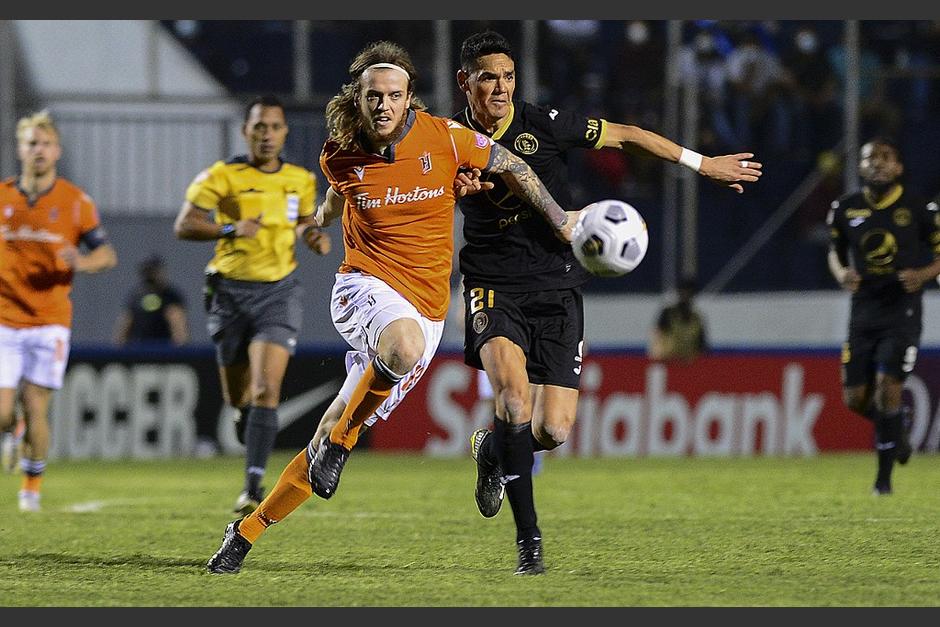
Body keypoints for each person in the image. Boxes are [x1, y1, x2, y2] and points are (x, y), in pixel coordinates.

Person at [205, 40, 578, 575]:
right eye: (374, 96)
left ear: (410, 100)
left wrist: (558, 218)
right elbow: (340, 194)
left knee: (331, 437)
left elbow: (515, 165)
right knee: (398, 347)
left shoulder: (447, 140)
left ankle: (244, 534)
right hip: (365, 287)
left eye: (394, 95)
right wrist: (319, 221)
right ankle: (337, 440)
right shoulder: (339, 153)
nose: (383, 105)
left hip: (426, 310)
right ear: (358, 99)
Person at [453, 30, 762, 574]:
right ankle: (530, 543)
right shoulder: (446, 139)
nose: (500, 89)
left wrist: (702, 163)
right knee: (514, 401)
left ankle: (492, 451)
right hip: (493, 285)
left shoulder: (544, 125)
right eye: (488, 79)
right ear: (466, 83)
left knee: (551, 430)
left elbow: (628, 135)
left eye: (507, 77)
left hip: (558, 286)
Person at [174, 94, 332, 516]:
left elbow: (303, 220)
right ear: (246, 130)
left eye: (275, 126)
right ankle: (245, 416)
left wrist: (312, 236)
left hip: (278, 293)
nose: (267, 134)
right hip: (228, 294)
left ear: (284, 132)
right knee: (237, 396)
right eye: (259, 126)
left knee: (266, 389)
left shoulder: (299, 179)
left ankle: (252, 486)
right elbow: (184, 224)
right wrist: (229, 227)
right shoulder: (222, 175)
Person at [0, 110, 118, 512]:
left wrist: (80, 263)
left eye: (46, 144)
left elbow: (105, 254)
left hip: (49, 322)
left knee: (36, 406)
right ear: (20, 149)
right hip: (4, 320)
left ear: (57, 151)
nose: (39, 151)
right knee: (2, 412)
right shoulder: (3, 198)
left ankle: (30, 490)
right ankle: (11, 429)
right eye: (32, 143)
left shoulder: (74, 202)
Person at [826, 137, 940, 496]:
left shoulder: (919, 208)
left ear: (898, 167)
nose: (877, 163)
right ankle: (896, 432)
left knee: (888, 390)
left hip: (902, 310)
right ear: (860, 167)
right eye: (869, 158)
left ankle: (883, 481)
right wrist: (842, 273)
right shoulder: (845, 208)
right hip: (863, 310)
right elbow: (835, 252)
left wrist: (923, 275)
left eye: (885, 157)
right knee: (853, 398)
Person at [112, 254, 190, 346]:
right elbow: (125, 324)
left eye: (152, 272)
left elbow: (178, 325)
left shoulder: (170, 297)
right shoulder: (136, 297)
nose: (149, 277)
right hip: (139, 352)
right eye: (147, 272)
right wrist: (119, 349)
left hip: (164, 352)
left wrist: (179, 350)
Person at [647, 277, 708, 362]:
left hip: (689, 364)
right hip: (668, 361)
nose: (686, 296)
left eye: (690, 293)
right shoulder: (668, 313)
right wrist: (657, 358)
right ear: (679, 293)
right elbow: (657, 337)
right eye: (684, 292)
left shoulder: (696, 318)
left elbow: (702, 346)